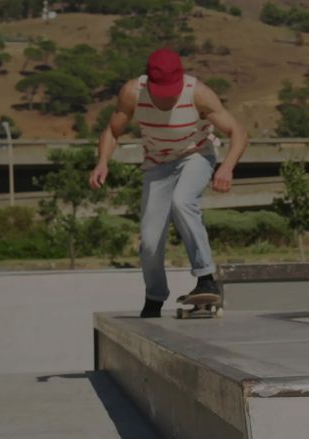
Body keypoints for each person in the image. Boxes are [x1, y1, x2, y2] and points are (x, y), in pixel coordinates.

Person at [89, 48, 248, 318]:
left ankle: (206, 277)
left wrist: (228, 166)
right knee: (150, 242)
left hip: (196, 155)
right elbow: (112, 131)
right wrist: (103, 161)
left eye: (171, 92)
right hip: (157, 164)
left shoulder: (197, 92)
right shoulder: (132, 92)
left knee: (183, 202)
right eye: (160, 92)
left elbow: (238, 132)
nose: (167, 98)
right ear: (149, 81)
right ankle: (154, 297)